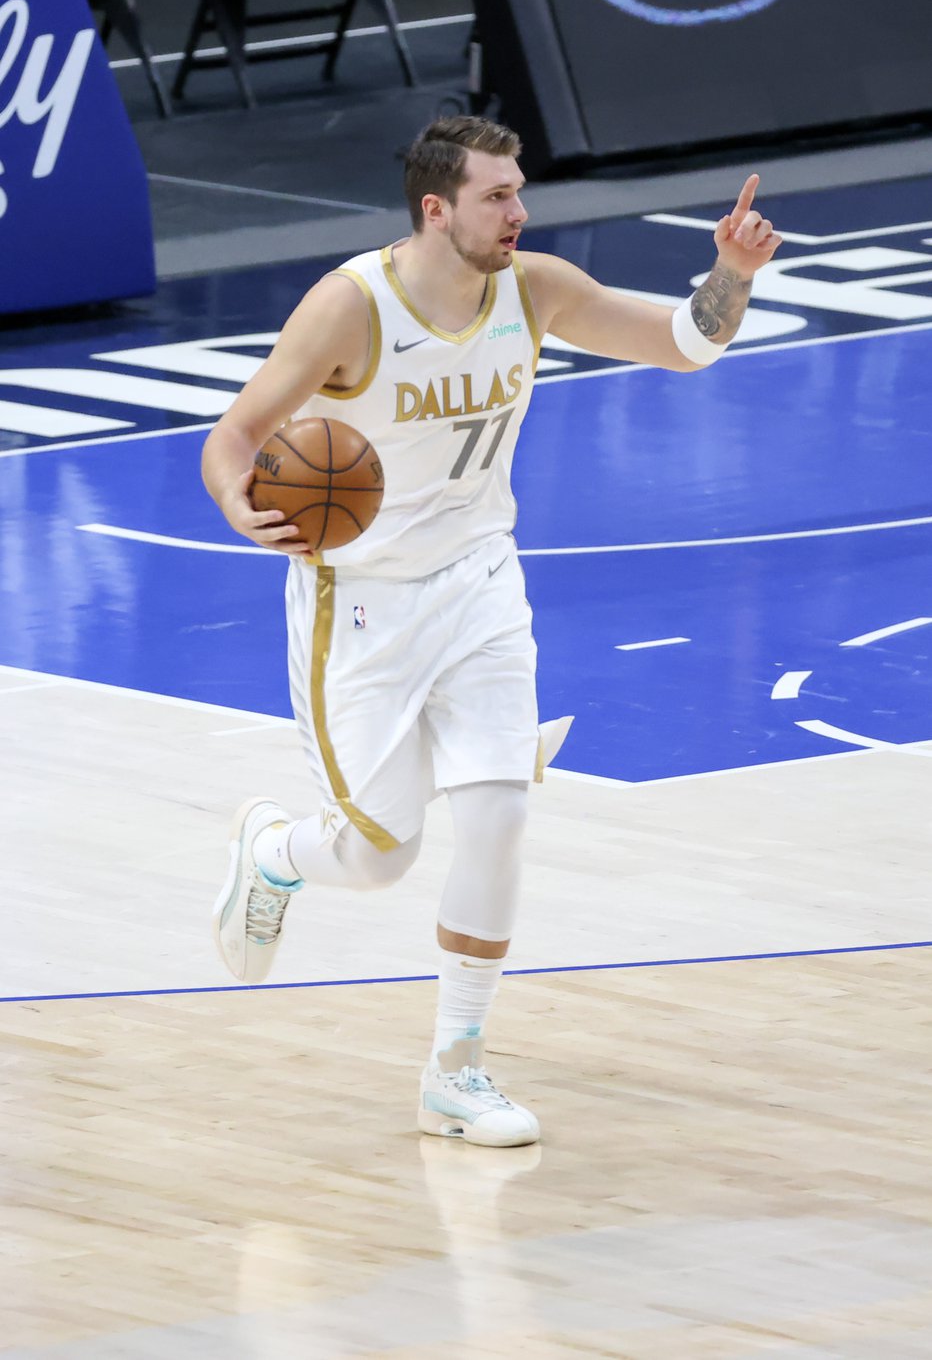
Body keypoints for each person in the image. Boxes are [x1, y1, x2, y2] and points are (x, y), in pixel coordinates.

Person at [202, 116, 781, 1148]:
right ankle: (276, 853)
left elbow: (682, 345)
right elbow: (236, 435)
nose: (518, 213)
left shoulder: (535, 288)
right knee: (380, 853)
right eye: (496, 197)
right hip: (363, 598)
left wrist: (728, 274)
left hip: (478, 582)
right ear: (437, 208)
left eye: (518, 193)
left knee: (499, 811)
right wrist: (237, 503)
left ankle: (453, 1069)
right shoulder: (350, 307)